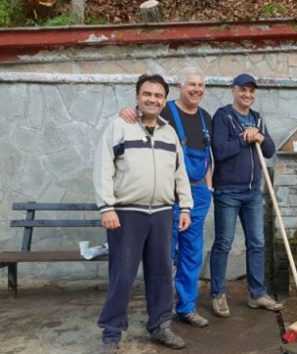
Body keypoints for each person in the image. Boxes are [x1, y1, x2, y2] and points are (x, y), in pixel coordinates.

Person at [94, 74, 193, 351]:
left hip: (162, 214)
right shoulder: (119, 126)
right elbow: (103, 167)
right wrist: (107, 207)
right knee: (122, 276)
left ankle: (160, 326)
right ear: (138, 97)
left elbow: (180, 173)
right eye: (147, 94)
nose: (152, 99)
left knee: (162, 273)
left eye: (158, 95)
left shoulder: (169, 132)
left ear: (164, 100)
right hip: (126, 215)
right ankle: (111, 334)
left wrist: (184, 206)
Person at [119, 67, 213, 328]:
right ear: (181, 86)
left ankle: (187, 307)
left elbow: (208, 156)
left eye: (201, 85)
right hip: (167, 194)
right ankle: (161, 311)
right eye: (191, 84)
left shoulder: (206, 117)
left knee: (191, 254)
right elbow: (139, 116)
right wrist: (124, 111)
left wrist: (209, 183)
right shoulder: (166, 110)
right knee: (163, 255)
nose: (196, 89)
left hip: (198, 195)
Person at [209, 73, 284, 318]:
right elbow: (219, 151)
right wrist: (244, 139)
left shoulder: (257, 118)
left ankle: (257, 294)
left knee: (257, 243)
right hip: (228, 191)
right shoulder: (223, 116)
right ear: (234, 90)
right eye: (243, 90)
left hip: (253, 191)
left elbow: (270, 150)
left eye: (251, 91)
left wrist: (260, 136)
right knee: (224, 243)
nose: (247, 95)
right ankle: (218, 293)